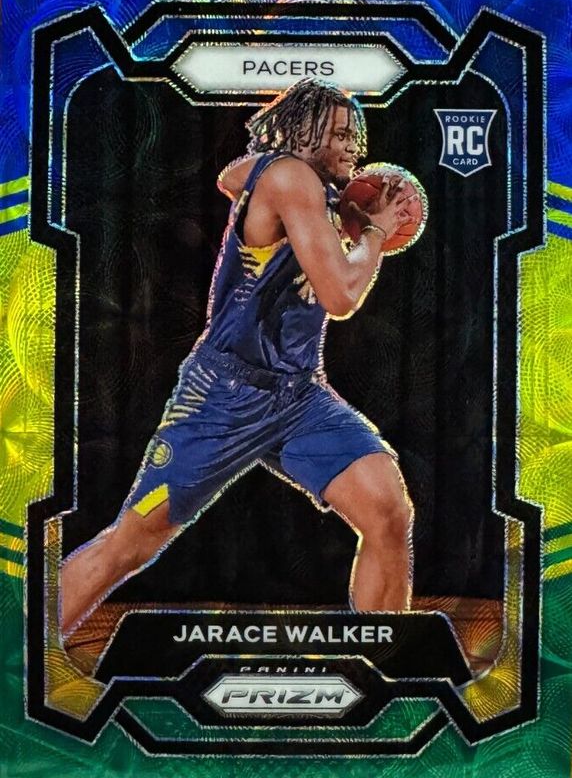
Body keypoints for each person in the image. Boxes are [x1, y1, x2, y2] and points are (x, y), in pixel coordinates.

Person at [60, 79, 416, 638]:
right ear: (304, 133)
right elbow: (341, 297)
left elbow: (230, 175)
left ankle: (383, 657)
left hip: (298, 394)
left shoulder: (295, 182)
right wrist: (373, 232)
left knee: (387, 510)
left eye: (356, 135)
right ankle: (24, 651)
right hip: (224, 394)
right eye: (340, 134)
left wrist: (332, 214)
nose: (354, 146)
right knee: (128, 546)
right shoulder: (292, 177)